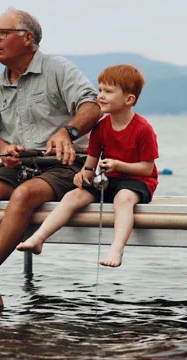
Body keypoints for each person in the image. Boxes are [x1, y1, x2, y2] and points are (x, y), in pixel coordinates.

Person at [0, 8, 102, 310]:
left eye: (2, 33)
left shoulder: (57, 68)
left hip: (66, 164)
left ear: (28, 39)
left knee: (25, 194)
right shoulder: (0, 85)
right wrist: (0, 147)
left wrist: (67, 132)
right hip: (19, 166)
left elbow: (91, 106)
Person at [17, 64, 158, 267]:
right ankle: (39, 238)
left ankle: (116, 249)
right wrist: (83, 175)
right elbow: (90, 165)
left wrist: (119, 165)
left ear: (129, 99)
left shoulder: (143, 129)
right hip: (109, 179)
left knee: (123, 198)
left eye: (108, 92)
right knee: (72, 196)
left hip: (137, 181)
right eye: (100, 89)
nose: (100, 95)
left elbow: (147, 168)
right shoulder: (100, 127)